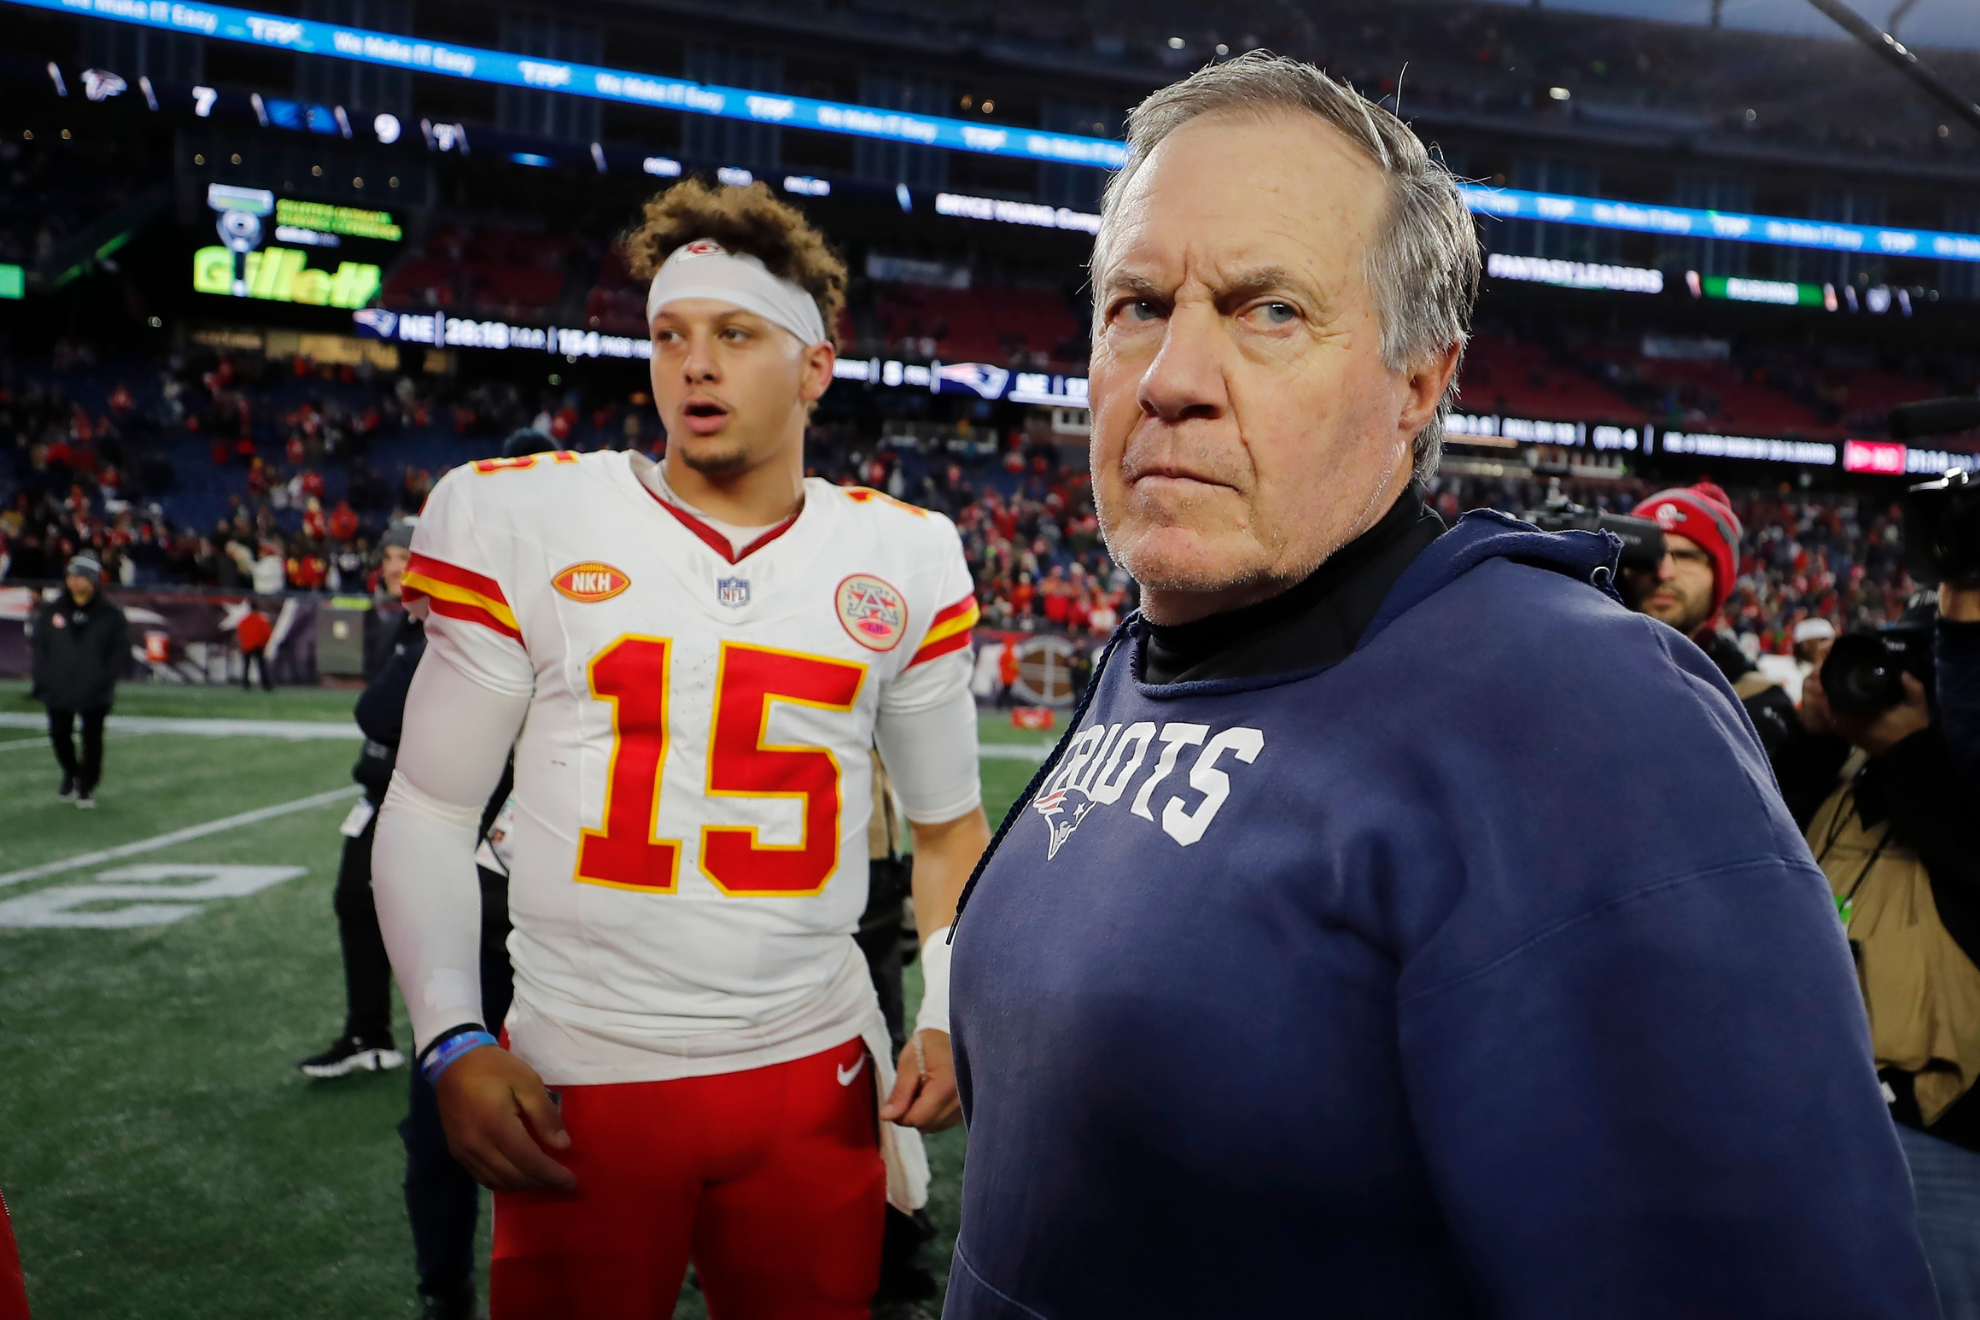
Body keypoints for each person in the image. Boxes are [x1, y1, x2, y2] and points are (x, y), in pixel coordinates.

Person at [943, 53, 1934, 1318]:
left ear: (1417, 383)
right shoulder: (1163, 646)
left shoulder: (1586, 721)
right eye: (1137, 303)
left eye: (1270, 310)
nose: (1171, 379)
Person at [372, 178, 990, 1320]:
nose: (694, 364)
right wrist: (452, 1034)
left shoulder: (902, 556)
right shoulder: (525, 519)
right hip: (582, 1074)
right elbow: (428, 808)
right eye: (670, 335)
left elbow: (950, 828)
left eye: (735, 335)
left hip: (814, 1074)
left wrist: (946, 1006)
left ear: (815, 365)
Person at [1787, 601, 1980, 1317]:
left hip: (1941, 1134)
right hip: (1810, 1108)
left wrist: (1918, 752)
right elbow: (1756, 840)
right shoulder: (1848, 777)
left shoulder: (1942, 775)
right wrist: (1815, 740)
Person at [296, 527, 421, 1081]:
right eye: (388, 556)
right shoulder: (404, 620)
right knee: (357, 901)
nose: (393, 567)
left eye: (404, 557)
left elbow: (377, 711)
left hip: (423, 798)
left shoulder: (442, 625)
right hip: (387, 792)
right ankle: (371, 1033)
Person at [1624, 482, 1799, 760]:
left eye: (1685, 556)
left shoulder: (1752, 701)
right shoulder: (1577, 659)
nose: (1664, 572)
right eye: (1648, 556)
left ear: (1720, 576)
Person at [29, 555, 128, 809]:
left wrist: (105, 676)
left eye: (80, 577)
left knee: (92, 739)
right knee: (59, 734)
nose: (74, 582)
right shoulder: (53, 611)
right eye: (71, 576)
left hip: (95, 687)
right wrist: (44, 674)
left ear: (93, 581)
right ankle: (71, 772)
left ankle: (87, 785)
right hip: (59, 684)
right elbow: (41, 645)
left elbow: (119, 650)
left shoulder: (111, 615)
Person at [236, 602, 274, 692]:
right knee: (261, 667)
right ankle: (266, 686)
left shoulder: (244, 621)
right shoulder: (261, 620)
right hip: (258, 646)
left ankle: (246, 685)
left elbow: (240, 633)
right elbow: (267, 633)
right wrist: (263, 643)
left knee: (246, 667)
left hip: (247, 647)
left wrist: (244, 643)